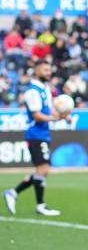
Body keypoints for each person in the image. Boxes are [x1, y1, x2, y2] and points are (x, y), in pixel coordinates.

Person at [3, 60, 68, 216]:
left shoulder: (44, 88)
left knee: (42, 170)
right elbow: (36, 115)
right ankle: (28, 199)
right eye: (45, 70)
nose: (48, 72)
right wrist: (55, 119)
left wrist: (60, 114)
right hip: (35, 135)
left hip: (43, 134)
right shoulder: (32, 91)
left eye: (49, 69)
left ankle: (20, 196)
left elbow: (49, 108)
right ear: (36, 70)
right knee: (43, 169)